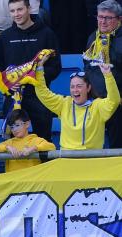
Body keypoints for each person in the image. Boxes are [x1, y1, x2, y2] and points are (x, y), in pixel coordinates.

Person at [0, 0, 61, 142]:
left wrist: (35, 76)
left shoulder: (47, 34)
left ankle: (44, 165)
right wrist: (7, 85)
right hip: (13, 97)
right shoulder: (5, 37)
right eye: (12, 11)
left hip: (40, 96)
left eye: (20, 10)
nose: (16, 14)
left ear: (29, 9)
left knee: (43, 141)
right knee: (10, 142)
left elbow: (56, 67)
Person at [34, 61, 120, 150]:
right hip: (68, 160)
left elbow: (114, 100)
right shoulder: (64, 103)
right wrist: (39, 69)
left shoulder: (97, 106)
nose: (75, 90)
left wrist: (108, 76)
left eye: (79, 86)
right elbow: (42, 93)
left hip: (93, 160)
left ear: (88, 88)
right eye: (72, 86)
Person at [83, 0, 122, 148]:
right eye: (100, 17)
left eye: (108, 18)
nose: (102, 21)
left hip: (118, 104)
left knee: (117, 146)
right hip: (96, 102)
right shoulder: (93, 38)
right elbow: (88, 66)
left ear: (119, 19)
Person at [0, 108, 55, 172]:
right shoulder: (9, 143)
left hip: (31, 180)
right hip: (13, 180)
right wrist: (7, 148)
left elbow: (52, 147)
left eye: (17, 125)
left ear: (27, 124)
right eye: (12, 127)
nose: (15, 129)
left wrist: (33, 148)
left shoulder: (36, 140)